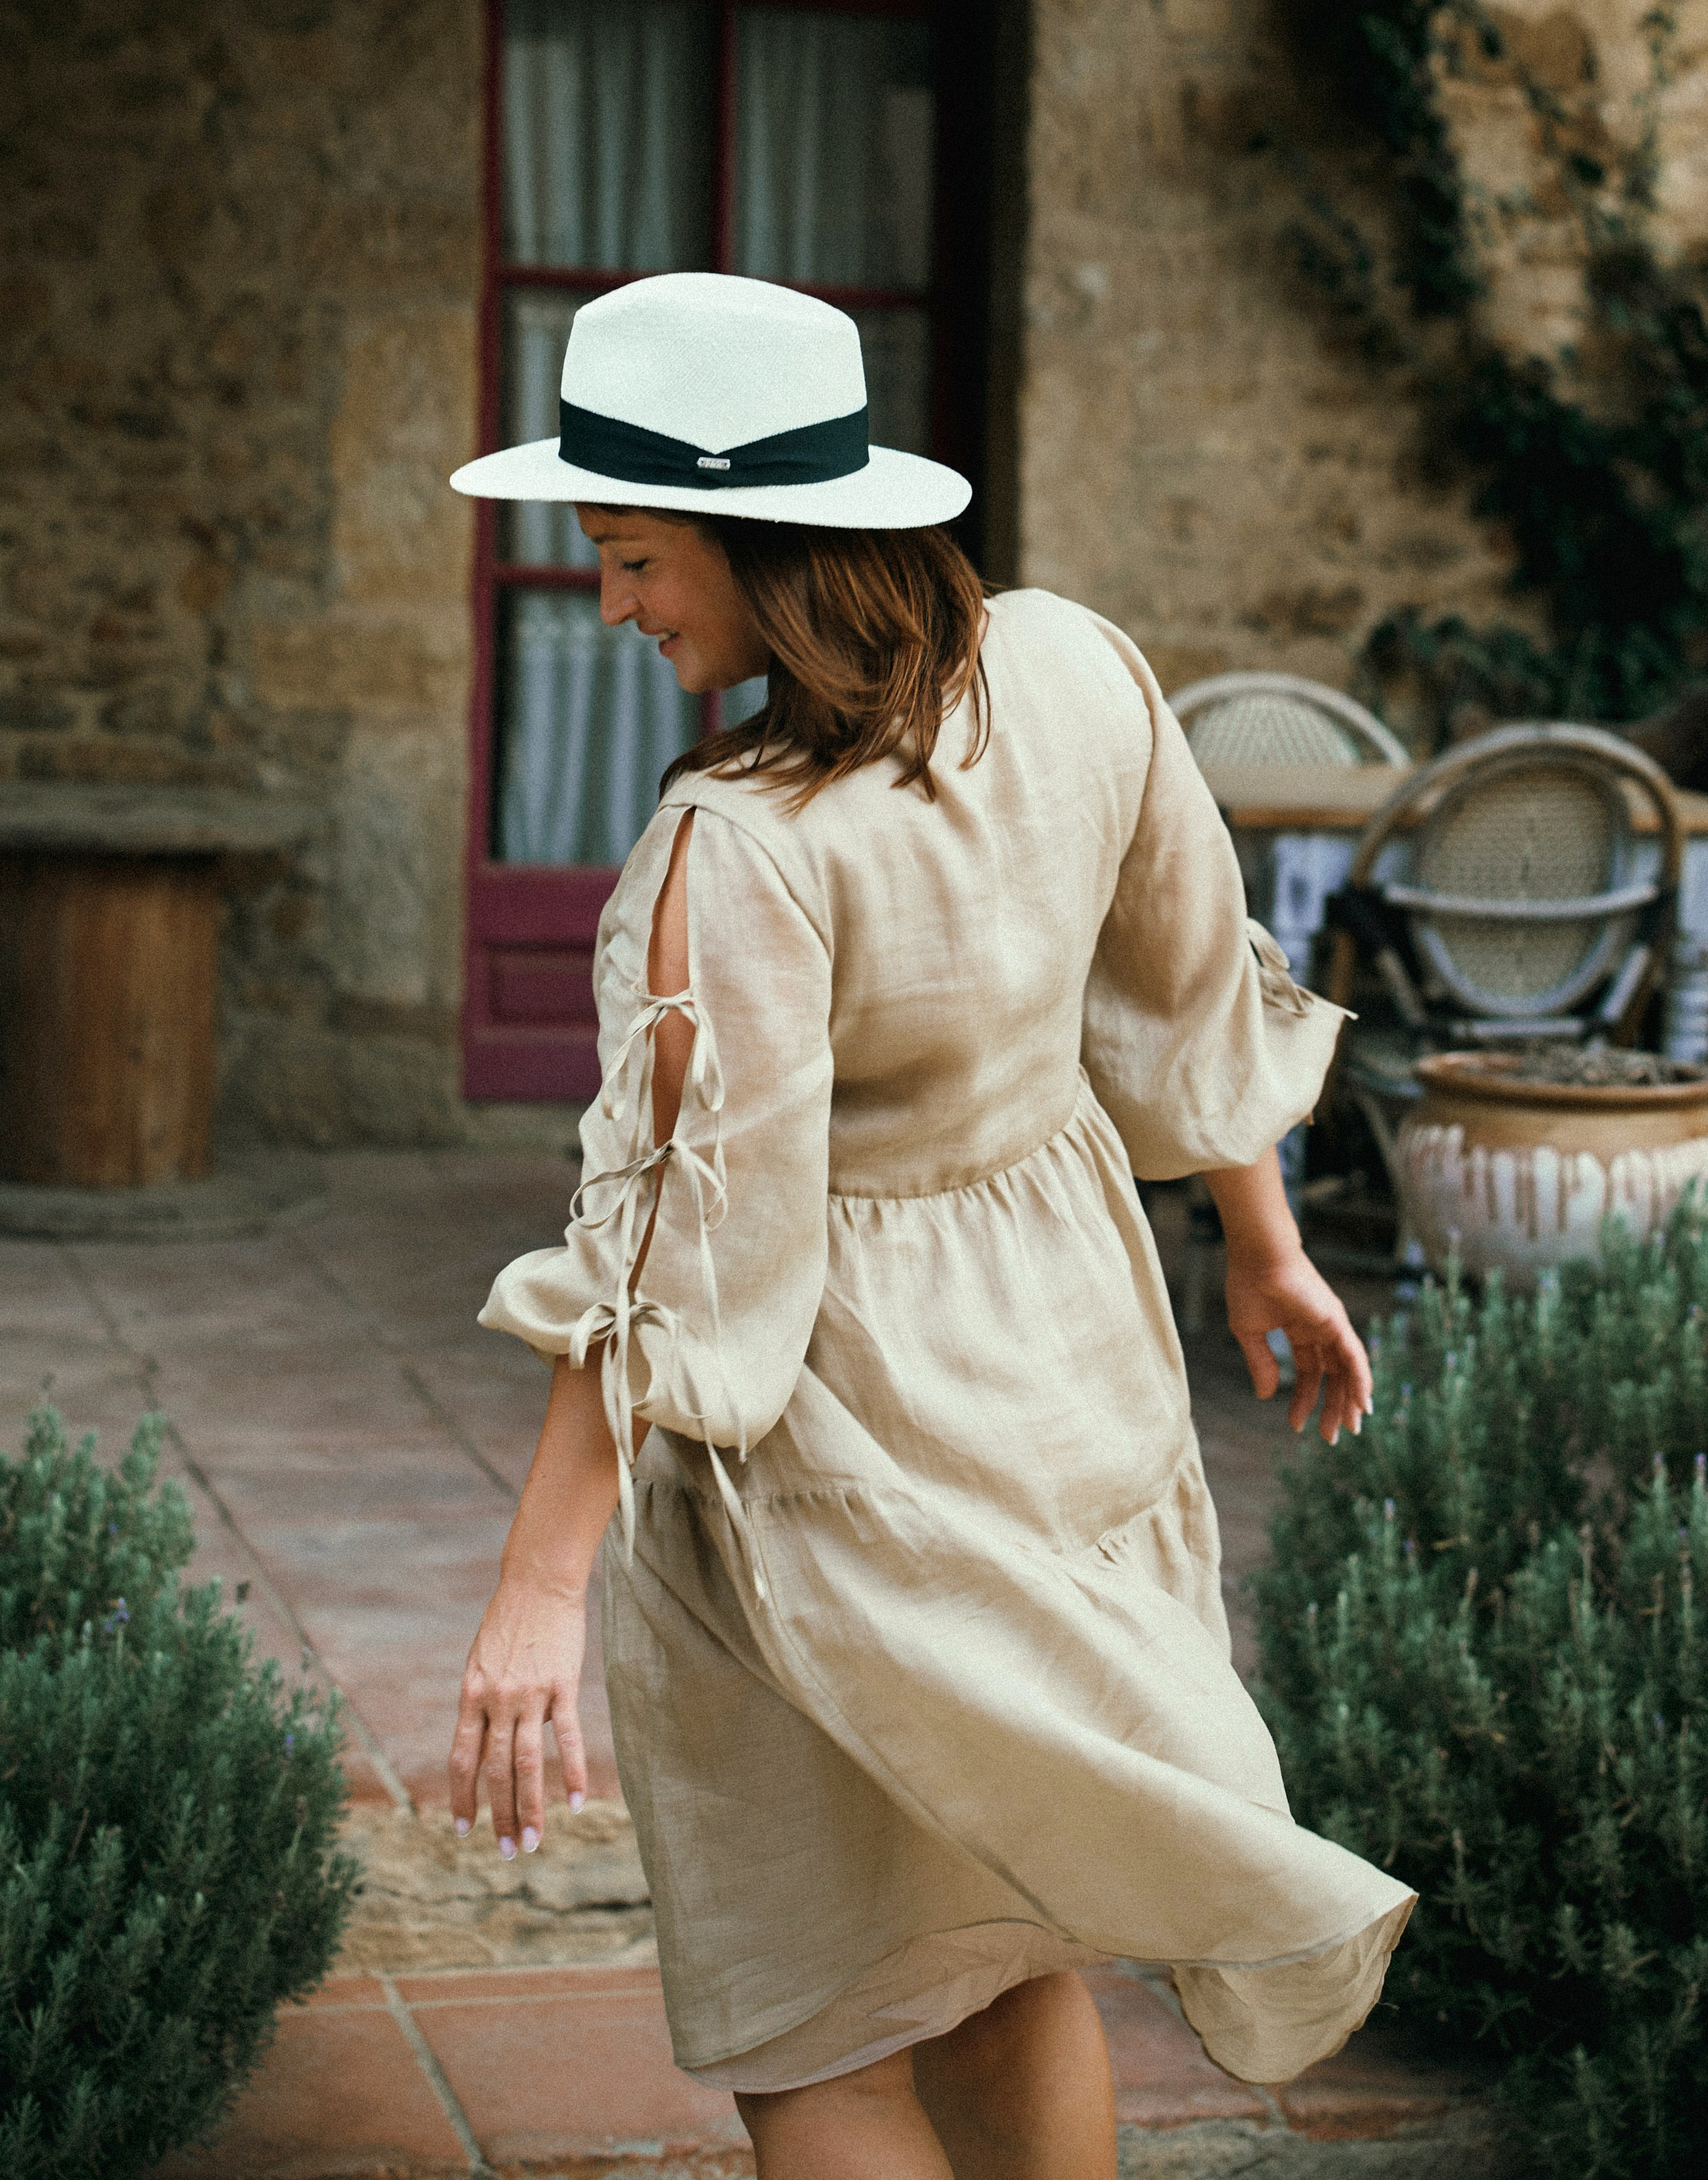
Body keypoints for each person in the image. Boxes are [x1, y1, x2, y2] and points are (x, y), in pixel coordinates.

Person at [447, 272, 1412, 2180]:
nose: (616, 603)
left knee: (816, 2018)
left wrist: (535, 1595)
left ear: (761, 539)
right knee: (996, 1950)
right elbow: (1190, 985)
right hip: (1062, 1381)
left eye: (635, 558)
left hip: (842, 1458)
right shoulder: (1069, 665)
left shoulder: (740, 847)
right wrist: (1260, 1242)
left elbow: (674, 1261)